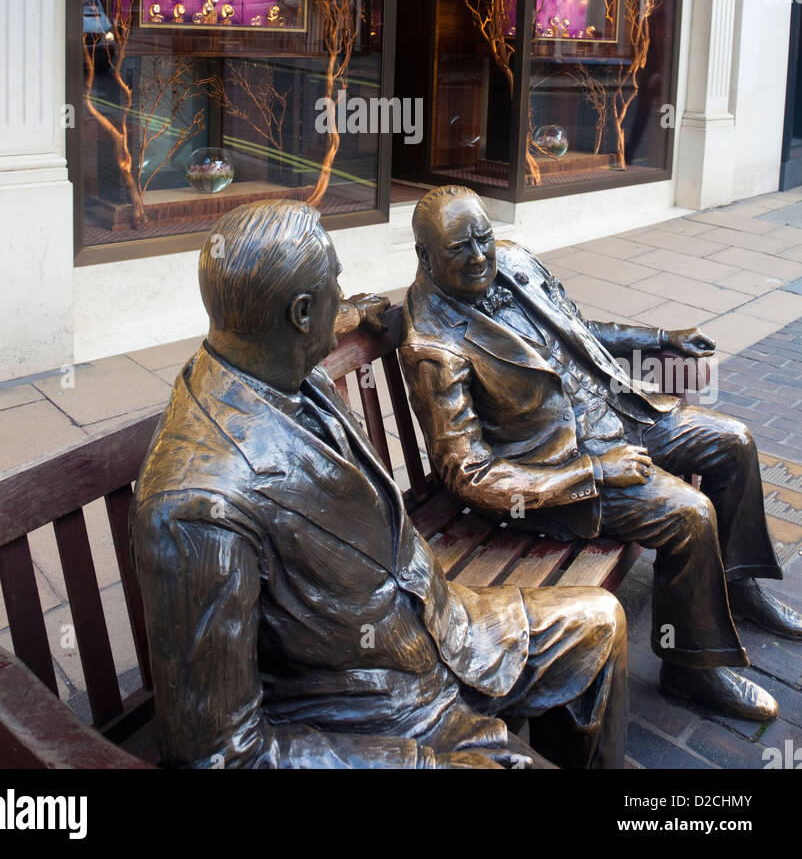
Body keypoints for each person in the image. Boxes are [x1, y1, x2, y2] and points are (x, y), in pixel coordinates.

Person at [130, 198, 628, 769]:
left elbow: (321, 317)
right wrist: (422, 765)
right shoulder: (195, 505)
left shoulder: (264, 354)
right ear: (298, 315)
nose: (342, 299)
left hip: (447, 623)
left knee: (603, 622)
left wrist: (349, 314)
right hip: (377, 711)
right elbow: (219, 754)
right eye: (334, 289)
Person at [400, 184, 802, 724]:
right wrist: (591, 471)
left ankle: (734, 583)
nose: (480, 257)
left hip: (619, 414)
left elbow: (581, 332)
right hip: (556, 469)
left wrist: (660, 337)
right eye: (459, 249)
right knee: (689, 514)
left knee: (733, 442)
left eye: (483, 238)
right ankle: (689, 666)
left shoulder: (513, 260)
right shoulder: (431, 344)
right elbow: (470, 475)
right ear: (425, 258)